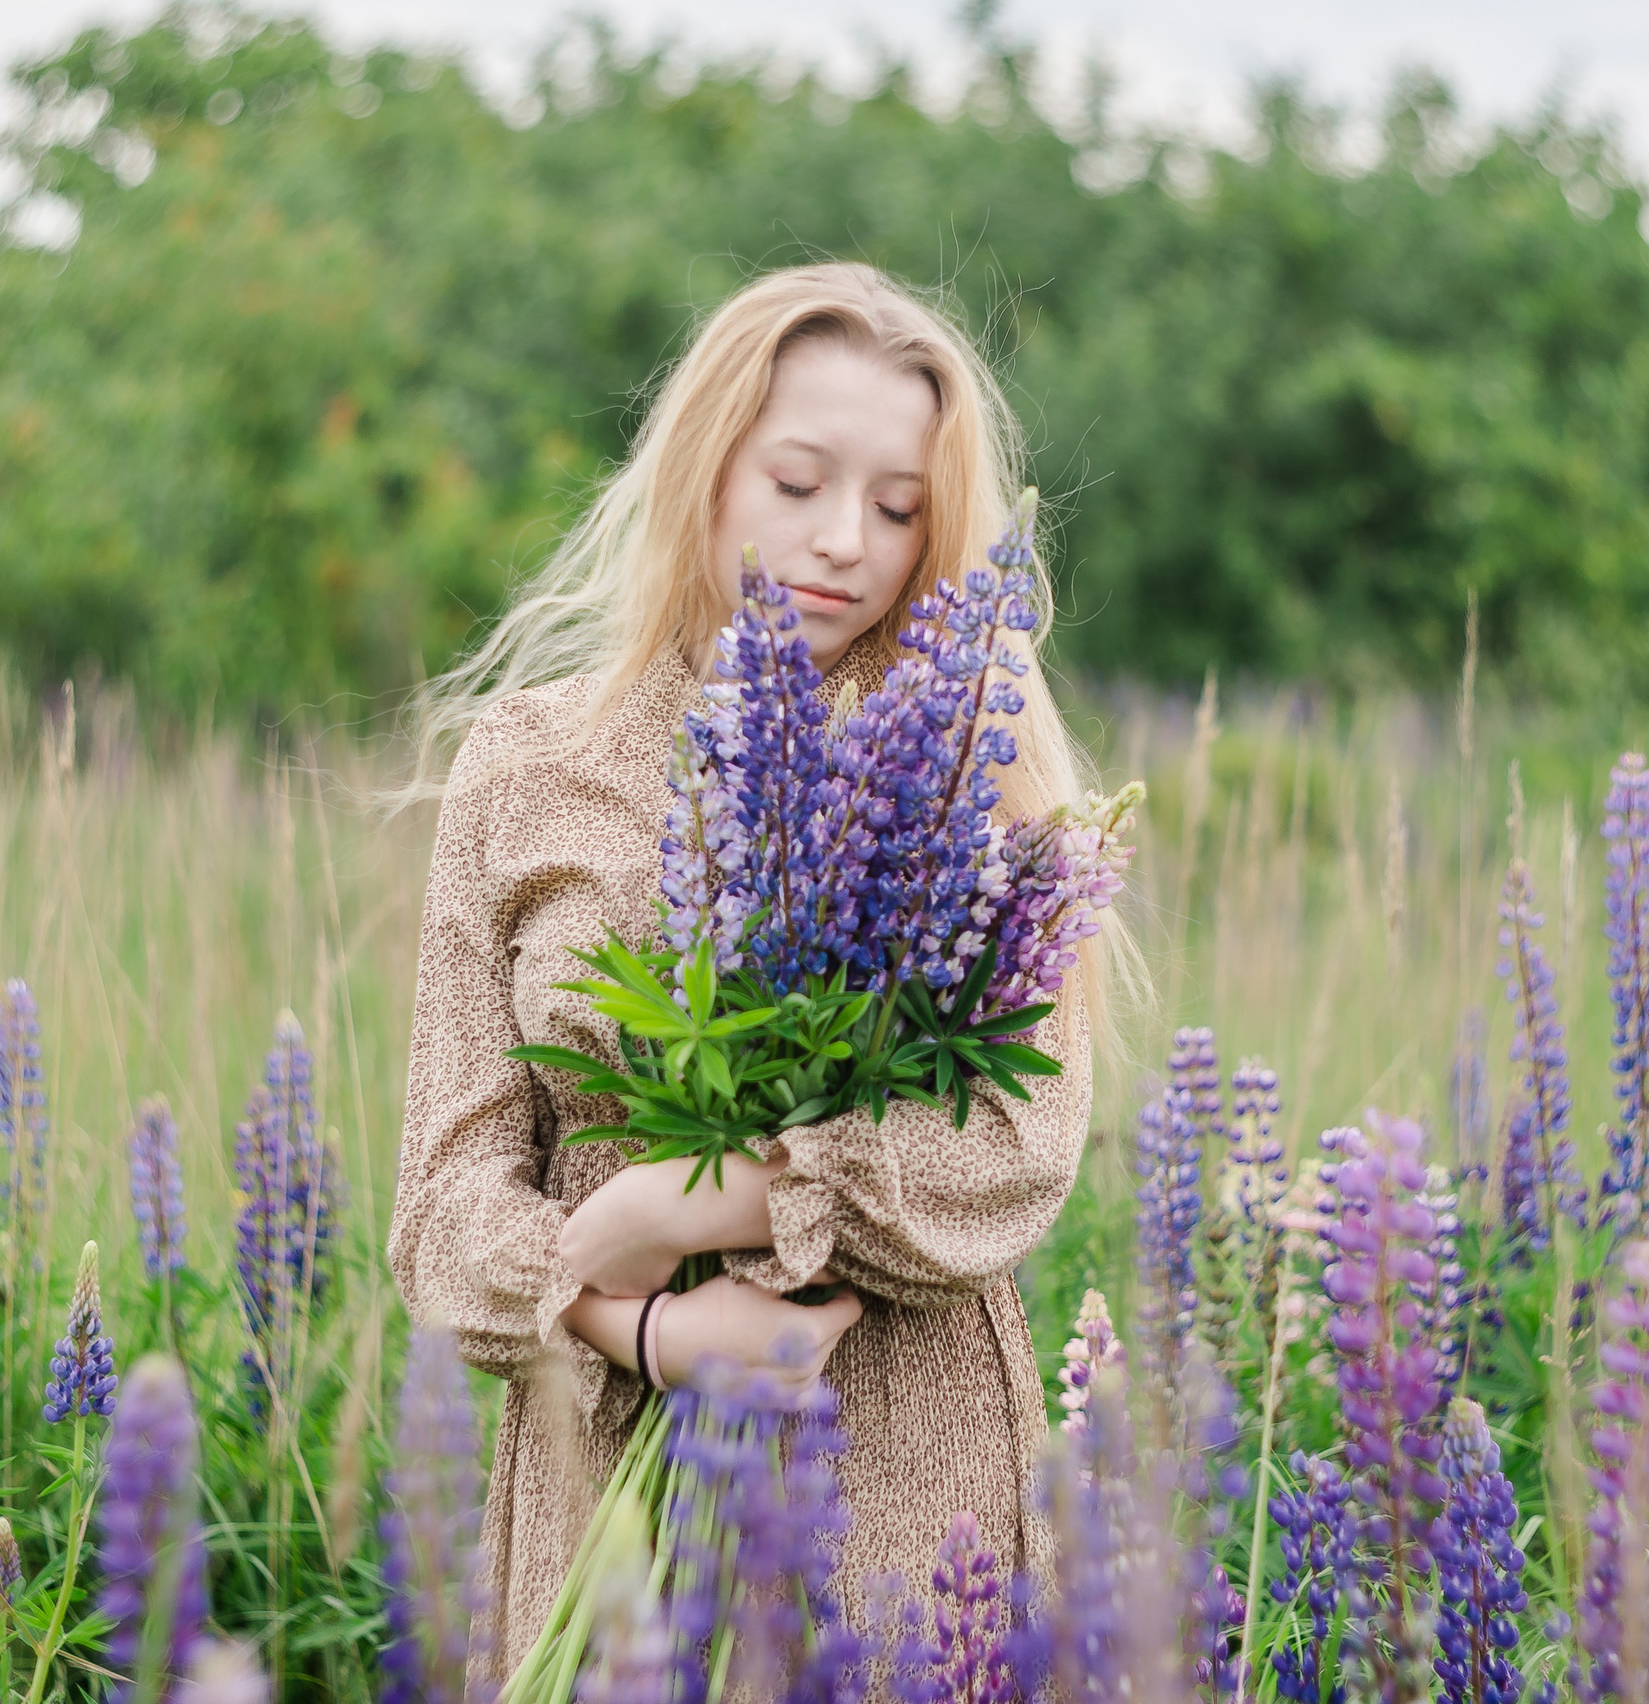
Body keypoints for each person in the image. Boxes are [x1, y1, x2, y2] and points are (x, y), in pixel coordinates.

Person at [387, 261, 1120, 1678]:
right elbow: (440, 1217)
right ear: (707, 465)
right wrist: (646, 1325)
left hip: (905, 1496)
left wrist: (703, 1192)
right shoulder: (527, 766)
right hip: (605, 1487)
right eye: (799, 481)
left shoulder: (973, 765)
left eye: (901, 506)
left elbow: (1015, 1155)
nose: (846, 539)